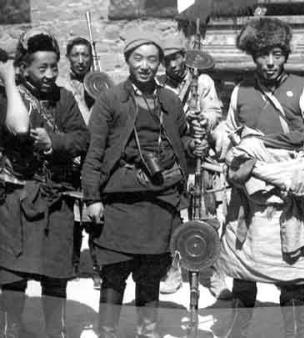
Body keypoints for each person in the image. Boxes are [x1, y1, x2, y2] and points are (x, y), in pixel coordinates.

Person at [82, 31, 205, 337]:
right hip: (120, 201)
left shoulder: (169, 100)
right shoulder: (110, 100)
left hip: (160, 201)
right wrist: (91, 197)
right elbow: (94, 152)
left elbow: (182, 139)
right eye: (138, 58)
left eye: (152, 59)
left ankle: (147, 332)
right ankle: (107, 332)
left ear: (160, 63)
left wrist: (194, 145)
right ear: (127, 61)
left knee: (150, 274)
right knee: (114, 274)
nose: (145, 65)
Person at [213, 18, 304, 337]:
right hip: (248, 197)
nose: (270, 62)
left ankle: (294, 333)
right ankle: (237, 332)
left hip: (286, 194)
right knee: (242, 272)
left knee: (292, 273)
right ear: (252, 55)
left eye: (277, 53)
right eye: (263, 54)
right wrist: (222, 142)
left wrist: (301, 173)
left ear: (285, 54)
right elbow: (232, 133)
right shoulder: (241, 91)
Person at [0, 29, 89, 337]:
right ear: (23, 68)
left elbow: (82, 137)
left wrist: (55, 141)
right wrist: (9, 82)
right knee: (11, 270)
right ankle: (12, 327)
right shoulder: (7, 97)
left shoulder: (64, 98)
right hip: (15, 195)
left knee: (56, 270)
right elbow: (18, 126)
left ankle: (55, 329)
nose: (51, 74)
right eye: (42, 68)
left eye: (54, 67)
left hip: (56, 197)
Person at [156, 35, 231, 300]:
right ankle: (174, 270)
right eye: (167, 60)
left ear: (185, 56)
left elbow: (214, 111)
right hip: (175, 158)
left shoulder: (203, 81)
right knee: (174, 217)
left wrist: (204, 121)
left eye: (177, 57)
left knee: (207, 216)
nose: (173, 64)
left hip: (202, 157)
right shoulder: (159, 85)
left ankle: (214, 272)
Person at [59, 36, 103, 290]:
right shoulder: (62, 86)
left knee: (94, 214)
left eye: (85, 54)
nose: (80, 60)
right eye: (75, 55)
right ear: (68, 58)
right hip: (69, 155)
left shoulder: (100, 85)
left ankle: (98, 267)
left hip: (93, 156)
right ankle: (71, 264)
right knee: (70, 214)